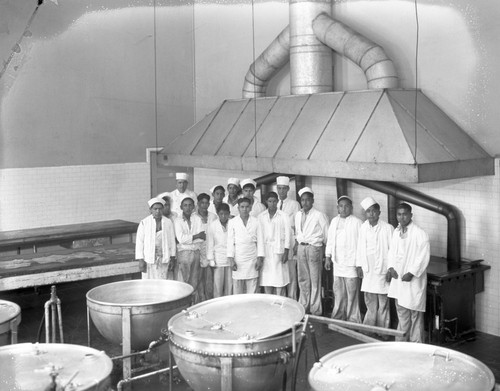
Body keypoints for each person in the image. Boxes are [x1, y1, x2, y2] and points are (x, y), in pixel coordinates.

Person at [387, 202, 430, 343]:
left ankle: (417, 345)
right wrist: (391, 267)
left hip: (413, 281)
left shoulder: (420, 233)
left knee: (415, 314)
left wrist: (411, 273)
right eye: (399, 214)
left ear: (411, 215)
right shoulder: (396, 232)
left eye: (405, 214)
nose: (402, 217)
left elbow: (423, 257)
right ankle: (401, 343)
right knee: (402, 312)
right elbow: (391, 252)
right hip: (399, 279)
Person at [356, 197, 394, 331]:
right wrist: (359, 265)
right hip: (368, 268)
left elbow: (392, 251)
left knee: (383, 302)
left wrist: (390, 269)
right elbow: (360, 247)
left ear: (379, 212)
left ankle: (383, 331)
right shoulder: (363, 227)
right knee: (370, 300)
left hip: (382, 267)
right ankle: (369, 328)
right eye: (368, 211)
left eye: (374, 211)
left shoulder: (388, 228)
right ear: (365, 214)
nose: (371, 214)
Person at [325, 195, 362, 323]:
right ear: (337, 208)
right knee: (339, 293)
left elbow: (361, 245)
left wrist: (359, 264)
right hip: (337, 263)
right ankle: (338, 317)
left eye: (346, 206)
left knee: (352, 293)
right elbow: (330, 240)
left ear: (351, 208)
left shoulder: (357, 222)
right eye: (341, 206)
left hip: (351, 264)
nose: (344, 208)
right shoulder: (334, 221)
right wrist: (328, 257)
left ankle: (353, 320)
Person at [294, 187, 329, 315]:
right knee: (303, 278)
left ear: (312, 201)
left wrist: (325, 253)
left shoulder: (319, 215)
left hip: (314, 248)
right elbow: (298, 232)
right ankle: (304, 305)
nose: (305, 203)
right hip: (301, 247)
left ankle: (315, 308)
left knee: (315, 279)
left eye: (308, 200)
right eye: (303, 200)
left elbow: (327, 235)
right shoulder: (298, 215)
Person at [227, 197, 265, 294]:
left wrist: (260, 258)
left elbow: (260, 241)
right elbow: (230, 241)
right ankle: (238, 309)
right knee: (237, 290)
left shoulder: (256, 221)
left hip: (252, 257)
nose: (245, 209)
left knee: (252, 289)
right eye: (242, 207)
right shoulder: (232, 222)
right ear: (238, 208)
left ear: (251, 208)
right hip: (238, 258)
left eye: (247, 207)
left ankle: (252, 308)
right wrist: (231, 259)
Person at [258, 192, 291, 296]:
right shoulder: (261, 216)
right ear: (266, 202)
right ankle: (269, 304)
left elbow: (288, 234)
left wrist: (286, 251)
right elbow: (259, 236)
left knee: (279, 280)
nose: (272, 204)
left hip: (279, 250)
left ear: (277, 202)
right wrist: (260, 254)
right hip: (266, 250)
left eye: (274, 201)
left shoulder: (283, 215)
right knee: (267, 279)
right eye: (270, 201)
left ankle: (279, 302)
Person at [135, 197, 176, 280]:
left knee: (162, 283)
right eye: (155, 209)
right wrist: (141, 260)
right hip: (149, 259)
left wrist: (172, 258)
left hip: (163, 259)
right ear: (150, 210)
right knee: (148, 284)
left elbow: (172, 241)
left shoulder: (168, 222)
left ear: (163, 209)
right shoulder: (144, 223)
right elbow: (140, 242)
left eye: (160, 209)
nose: (158, 211)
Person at [174, 196, 205, 303]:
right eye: (185, 205)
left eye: (190, 205)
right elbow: (181, 239)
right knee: (184, 281)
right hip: (183, 254)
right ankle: (184, 304)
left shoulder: (197, 219)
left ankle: (193, 305)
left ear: (193, 207)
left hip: (196, 253)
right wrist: (195, 236)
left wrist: (191, 238)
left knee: (195, 281)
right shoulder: (177, 221)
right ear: (181, 207)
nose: (188, 207)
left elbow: (202, 238)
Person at [276, 176, 301, 300]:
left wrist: (296, 242)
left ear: (288, 189)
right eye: (279, 188)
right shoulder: (274, 204)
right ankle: (280, 300)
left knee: (291, 275)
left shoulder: (294, 204)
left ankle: (292, 300)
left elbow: (298, 225)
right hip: (277, 244)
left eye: (283, 188)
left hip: (290, 243)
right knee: (280, 275)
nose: (281, 191)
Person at [207, 203, 232, 297]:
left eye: (226, 214)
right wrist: (211, 260)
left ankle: (229, 306)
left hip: (230, 259)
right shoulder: (213, 225)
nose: (223, 216)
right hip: (218, 259)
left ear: (229, 213)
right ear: (217, 213)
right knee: (218, 286)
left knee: (230, 286)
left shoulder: (233, 223)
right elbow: (210, 243)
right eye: (221, 214)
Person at [196, 193, 218, 301]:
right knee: (198, 279)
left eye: (206, 203)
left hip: (210, 250)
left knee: (209, 280)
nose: (204, 205)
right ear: (198, 203)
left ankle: (209, 301)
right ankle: (199, 301)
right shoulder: (194, 217)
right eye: (202, 203)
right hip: (197, 251)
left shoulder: (213, 217)